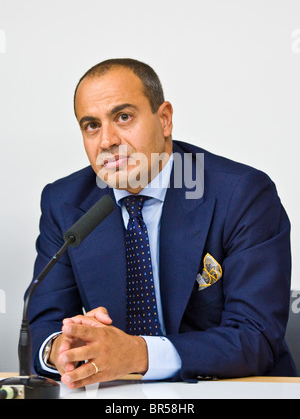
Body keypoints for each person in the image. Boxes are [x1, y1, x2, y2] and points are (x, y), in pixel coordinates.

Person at [27, 58, 297, 389]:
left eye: (123, 117)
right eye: (91, 125)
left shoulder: (241, 194)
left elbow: (256, 338)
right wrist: (61, 348)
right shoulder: (65, 202)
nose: (108, 140)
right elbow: (44, 327)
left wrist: (138, 353)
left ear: (164, 119)